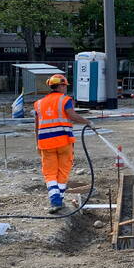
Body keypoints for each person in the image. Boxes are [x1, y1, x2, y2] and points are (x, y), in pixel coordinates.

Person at [34, 74, 93, 213]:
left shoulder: (39, 103)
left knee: (49, 172)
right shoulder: (65, 100)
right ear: (60, 86)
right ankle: (59, 198)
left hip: (45, 143)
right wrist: (88, 122)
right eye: (65, 86)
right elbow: (72, 115)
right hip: (63, 141)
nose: (66, 88)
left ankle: (55, 200)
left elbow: (36, 126)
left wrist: (37, 142)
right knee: (63, 170)